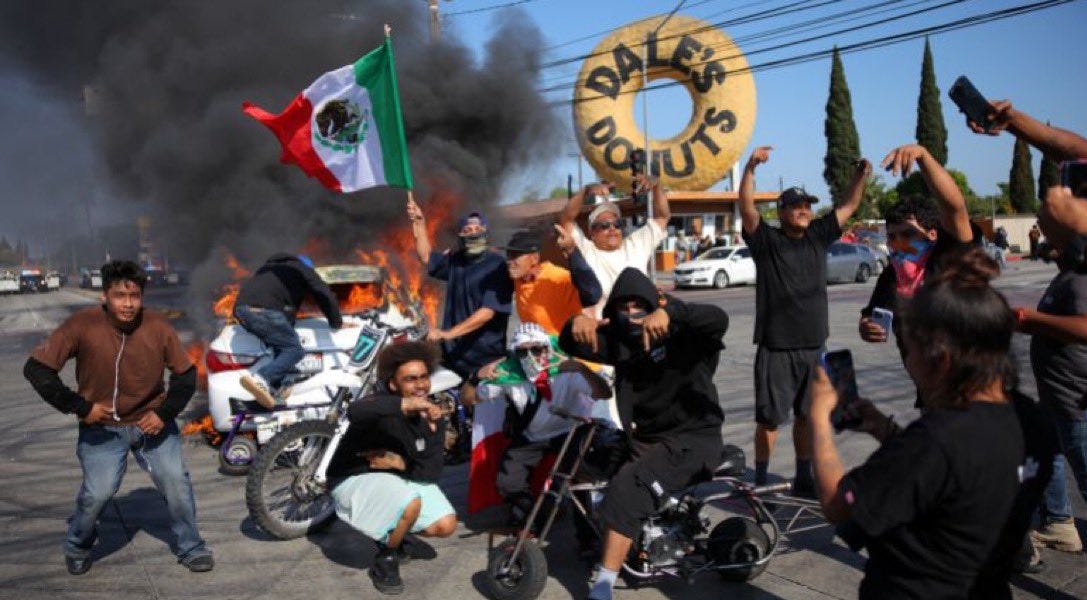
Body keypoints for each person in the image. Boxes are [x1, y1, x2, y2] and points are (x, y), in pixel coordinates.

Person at [808, 250, 1056, 599]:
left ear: (941, 358)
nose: (908, 362)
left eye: (909, 349)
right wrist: (886, 431)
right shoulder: (1033, 420)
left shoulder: (937, 440)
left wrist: (818, 417)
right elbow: (956, 477)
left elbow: (837, 503)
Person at [23, 260, 212, 575]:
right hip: (102, 429)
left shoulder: (158, 327)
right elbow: (37, 370)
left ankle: (191, 547)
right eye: (119, 296)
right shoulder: (82, 325)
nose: (127, 304)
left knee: (176, 483)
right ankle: (77, 545)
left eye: (134, 296)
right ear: (104, 297)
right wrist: (82, 407)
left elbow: (186, 375)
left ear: (141, 297)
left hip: (151, 425)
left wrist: (163, 414)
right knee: (98, 493)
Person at [560, 267, 729, 600]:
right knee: (584, 467)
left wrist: (670, 312)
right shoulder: (619, 343)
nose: (632, 313)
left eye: (640, 304)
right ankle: (607, 542)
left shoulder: (684, 333)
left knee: (628, 487)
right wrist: (575, 323)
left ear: (655, 304)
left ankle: (604, 585)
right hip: (646, 438)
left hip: (694, 439)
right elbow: (571, 342)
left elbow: (718, 318)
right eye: (624, 305)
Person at [738, 146, 868, 494]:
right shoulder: (766, 241)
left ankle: (803, 475)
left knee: (808, 417)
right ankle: (761, 480)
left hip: (814, 346)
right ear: (781, 212)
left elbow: (849, 206)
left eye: (807, 206)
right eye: (796, 206)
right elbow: (747, 209)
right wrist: (750, 168)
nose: (803, 211)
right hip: (776, 348)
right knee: (768, 421)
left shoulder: (818, 236)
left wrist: (860, 177)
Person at [324, 341, 458, 595]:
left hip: (396, 479)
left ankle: (396, 529)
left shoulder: (430, 415)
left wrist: (414, 452)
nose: (420, 385)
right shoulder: (380, 404)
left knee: (445, 524)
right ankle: (386, 558)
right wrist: (404, 405)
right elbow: (355, 410)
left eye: (423, 377)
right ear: (394, 384)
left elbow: (429, 474)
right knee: (411, 502)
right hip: (353, 478)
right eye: (410, 379)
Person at [857, 144, 979, 407]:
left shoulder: (948, 258)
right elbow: (872, 315)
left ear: (932, 235)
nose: (899, 243)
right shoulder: (891, 276)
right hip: (929, 396)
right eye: (892, 236)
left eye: (908, 234)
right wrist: (866, 327)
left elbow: (956, 208)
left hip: (972, 394)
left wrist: (923, 156)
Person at [476, 323, 610, 535]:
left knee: (577, 481)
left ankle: (588, 539)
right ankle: (539, 515)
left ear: (547, 349)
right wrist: (476, 376)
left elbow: (603, 393)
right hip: (534, 436)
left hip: (569, 431)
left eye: (536, 349)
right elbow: (471, 398)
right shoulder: (510, 375)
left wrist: (582, 370)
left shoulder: (567, 371)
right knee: (507, 482)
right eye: (522, 351)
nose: (530, 356)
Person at [1014, 184, 1087, 554]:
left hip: (1076, 401)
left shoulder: (1081, 279)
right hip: (1057, 397)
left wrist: (1030, 321)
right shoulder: (1068, 275)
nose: (1044, 242)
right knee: (1044, 452)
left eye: (1050, 233)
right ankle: (1059, 522)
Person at [408, 196, 512, 388]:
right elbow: (426, 257)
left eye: (478, 230)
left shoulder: (496, 265)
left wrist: (448, 334)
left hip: (485, 359)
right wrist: (420, 224)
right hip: (453, 357)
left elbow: (487, 313)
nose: (473, 233)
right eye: (468, 230)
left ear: (486, 233)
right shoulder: (456, 260)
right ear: (460, 235)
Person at [234, 253, 343, 408]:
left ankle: (273, 391)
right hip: (264, 311)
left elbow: (286, 309)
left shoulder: (267, 271)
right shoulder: (301, 269)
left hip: (242, 311)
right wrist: (336, 321)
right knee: (294, 350)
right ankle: (260, 378)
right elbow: (323, 293)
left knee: (282, 348)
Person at [558, 176, 669, 319]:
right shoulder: (587, 250)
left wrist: (656, 186)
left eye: (617, 224)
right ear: (591, 232)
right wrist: (585, 191)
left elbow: (662, 217)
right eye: (604, 225)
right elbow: (566, 219)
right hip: (604, 329)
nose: (612, 228)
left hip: (641, 323)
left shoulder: (636, 244)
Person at [503, 227, 601, 336]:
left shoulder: (559, 277)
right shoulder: (518, 279)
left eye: (515, 256)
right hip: (536, 348)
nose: (509, 261)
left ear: (534, 258)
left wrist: (571, 251)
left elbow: (593, 295)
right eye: (508, 256)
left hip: (563, 348)